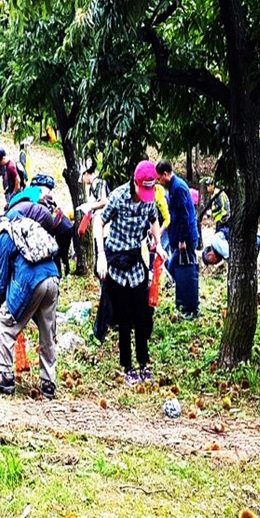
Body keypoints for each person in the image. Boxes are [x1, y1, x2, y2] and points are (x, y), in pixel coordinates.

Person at [94, 160, 166, 385]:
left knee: (142, 315)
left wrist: (159, 243)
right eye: (142, 189)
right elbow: (98, 221)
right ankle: (127, 366)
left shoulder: (150, 199)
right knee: (123, 317)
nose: (145, 194)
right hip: (115, 262)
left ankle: (144, 363)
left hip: (135, 261)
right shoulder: (117, 197)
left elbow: (154, 220)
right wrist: (101, 255)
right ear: (134, 183)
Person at [0, 218, 60, 399]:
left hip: (31, 281)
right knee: (47, 331)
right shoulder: (27, 228)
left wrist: (7, 304)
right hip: (52, 278)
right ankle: (48, 382)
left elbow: (2, 277)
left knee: (6, 320)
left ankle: (3, 374)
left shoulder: (4, 236)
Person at [156, 160, 200, 319]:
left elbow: (184, 216)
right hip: (180, 237)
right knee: (178, 270)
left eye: (159, 178)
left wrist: (182, 240)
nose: (159, 182)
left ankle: (192, 308)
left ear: (166, 174)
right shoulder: (173, 187)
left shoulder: (178, 187)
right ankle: (183, 304)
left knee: (187, 271)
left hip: (186, 238)